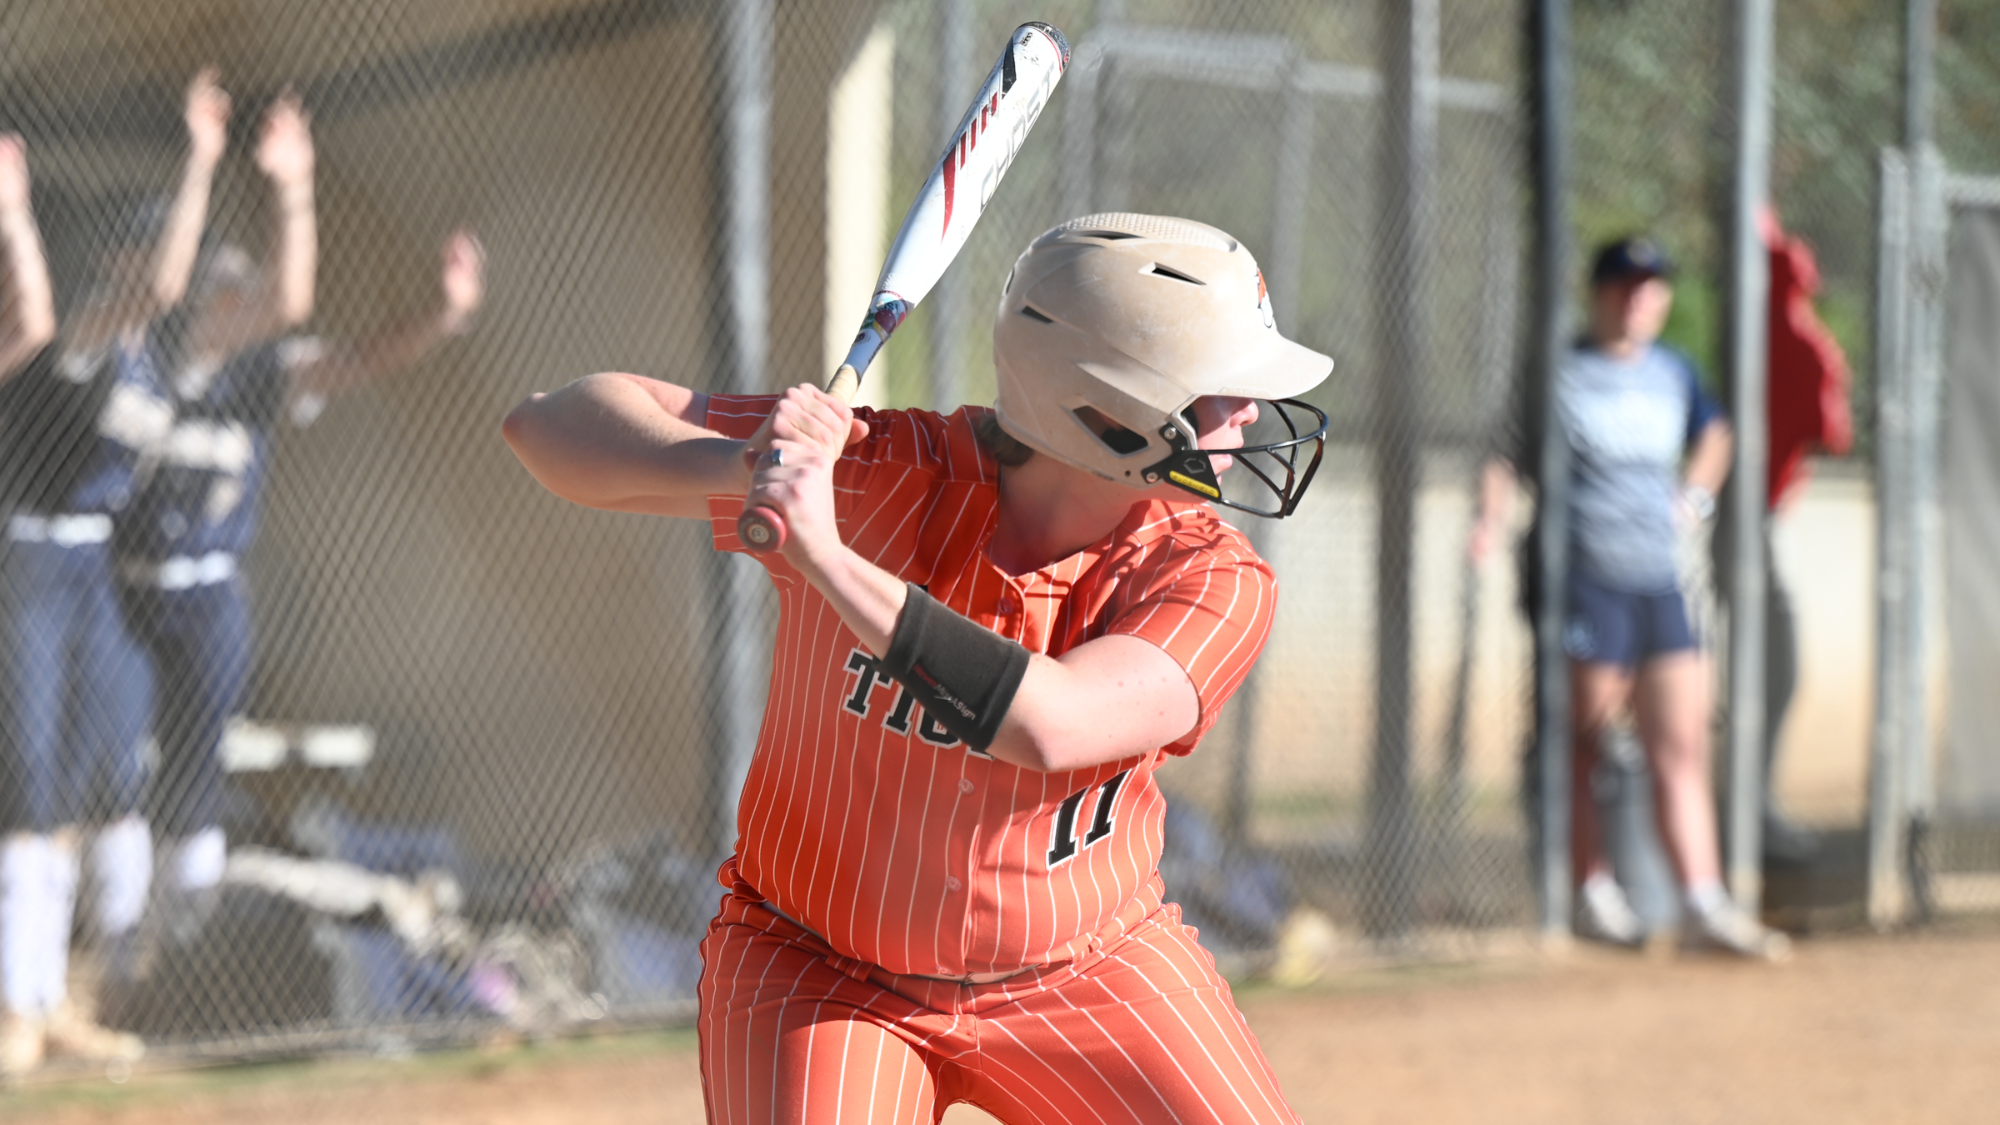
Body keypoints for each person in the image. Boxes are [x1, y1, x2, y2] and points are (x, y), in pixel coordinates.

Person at [505, 213, 1329, 1123]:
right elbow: (544, 427)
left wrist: (830, 559)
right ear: (1116, 410)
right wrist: (745, 463)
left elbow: (1049, 725)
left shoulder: (1209, 574)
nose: (1252, 414)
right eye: (1224, 391)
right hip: (823, 971)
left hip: (1090, 967)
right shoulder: (879, 471)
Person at [119, 220, 483, 946]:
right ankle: (109, 949)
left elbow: (357, 359)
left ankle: (180, 951)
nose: (243, 304)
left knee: (194, 775)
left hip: (211, 592)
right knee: (115, 768)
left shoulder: (262, 369)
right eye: (225, 292)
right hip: (125, 590)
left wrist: (441, 317)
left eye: (244, 291)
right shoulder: (155, 359)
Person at [0, 69, 231, 1076]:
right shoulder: (92, 329)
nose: (171, 271)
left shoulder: (147, 355)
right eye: (151, 252)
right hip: (26, 556)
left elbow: (187, 293)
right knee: (29, 781)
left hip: (91, 568)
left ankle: (56, 1002)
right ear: (120, 261)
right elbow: (129, 294)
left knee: (95, 779)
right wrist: (201, 160)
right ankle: (20, 1009)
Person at [1472, 235, 1790, 961]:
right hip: (1586, 579)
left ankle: (1704, 904)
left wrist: (1696, 498)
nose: (1641, 297)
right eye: (1626, 284)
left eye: (1653, 286)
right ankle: (1590, 892)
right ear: (1599, 292)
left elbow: (1716, 431)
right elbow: (1504, 452)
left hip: (1658, 579)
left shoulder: (1674, 370)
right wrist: (1487, 522)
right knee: (1584, 740)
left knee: (1679, 744)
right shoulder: (1561, 372)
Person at [1747, 208, 1852, 863]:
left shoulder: (1746, 325)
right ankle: (1749, 806)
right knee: (1777, 665)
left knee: (1758, 664)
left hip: (1728, 509)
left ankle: (1747, 803)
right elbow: (1835, 435)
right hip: (1755, 518)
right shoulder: (1805, 338)